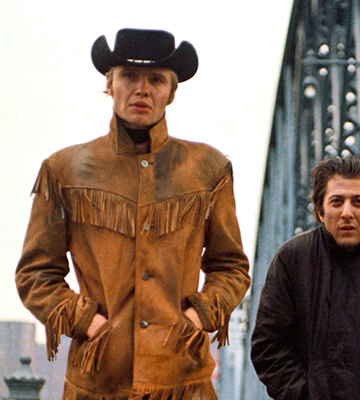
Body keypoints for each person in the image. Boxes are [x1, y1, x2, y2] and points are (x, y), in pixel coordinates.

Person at [15, 28, 250, 400]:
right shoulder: (65, 169)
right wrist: (86, 323)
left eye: (156, 79)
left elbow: (231, 266)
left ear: (172, 93)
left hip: (183, 381)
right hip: (98, 382)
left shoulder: (208, 168)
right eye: (129, 76)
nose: (142, 89)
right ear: (109, 84)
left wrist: (197, 318)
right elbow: (35, 273)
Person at [250, 156, 360, 399]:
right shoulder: (292, 258)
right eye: (336, 202)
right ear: (320, 211)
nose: (347, 212)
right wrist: (303, 396)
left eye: (358, 202)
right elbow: (268, 344)